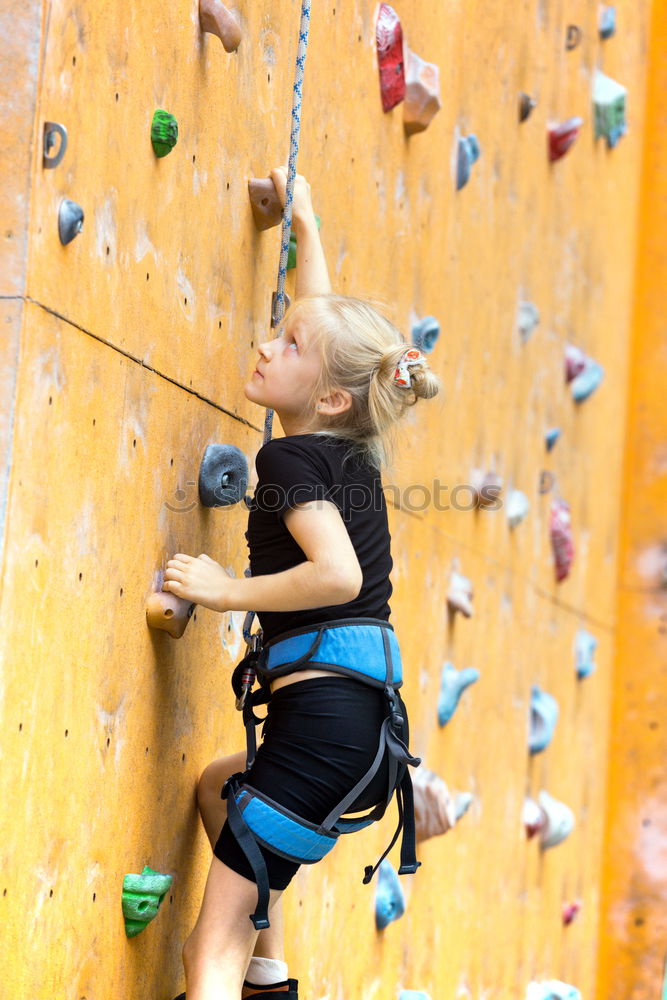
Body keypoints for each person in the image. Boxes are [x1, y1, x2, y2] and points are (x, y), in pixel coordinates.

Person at [162, 166, 440, 1000]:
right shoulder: (346, 441)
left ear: (324, 394)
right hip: (356, 731)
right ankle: (270, 977)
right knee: (220, 787)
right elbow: (322, 334)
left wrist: (221, 589)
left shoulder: (287, 457)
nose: (264, 345)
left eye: (283, 346)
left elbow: (336, 575)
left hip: (325, 725)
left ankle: (235, 977)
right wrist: (306, 226)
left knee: (201, 955)